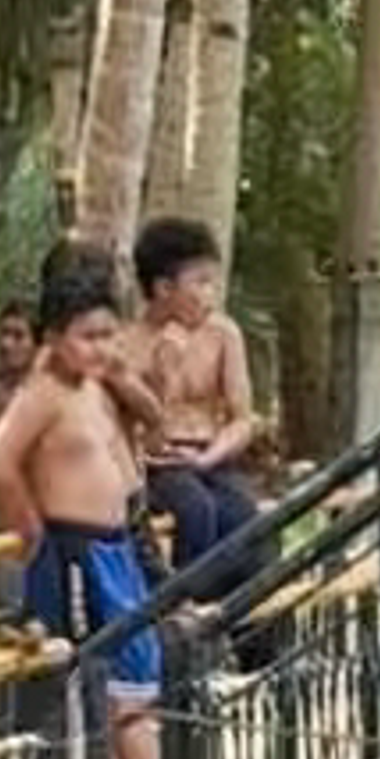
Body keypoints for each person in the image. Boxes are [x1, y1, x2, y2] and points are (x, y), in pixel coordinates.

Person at [0, 256, 165, 759]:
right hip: (74, 553)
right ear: (56, 338)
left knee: (137, 686)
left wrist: (119, 373)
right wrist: (29, 528)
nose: (101, 347)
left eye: (109, 335)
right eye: (88, 337)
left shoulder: (96, 384)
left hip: (117, 547)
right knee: (109, 693)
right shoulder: (43, 393)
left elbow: (154, 420)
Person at [116, 213, 269, 595]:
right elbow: (140, 426)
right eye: (199, 283)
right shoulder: (127, 344)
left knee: (245, 516)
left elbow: (243, 419)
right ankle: (185, 606)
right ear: (164, 288)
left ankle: (246, 617)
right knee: (195, 509)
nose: (209, 295)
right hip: (158, 465)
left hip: (211, 455)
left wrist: (207, 457)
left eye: (211, 282)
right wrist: (162, 372)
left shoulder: (222, 333)